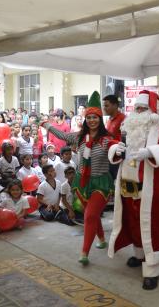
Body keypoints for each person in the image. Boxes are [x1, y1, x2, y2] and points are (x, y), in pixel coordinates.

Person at [107, 90, 159, 290]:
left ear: (153, 110)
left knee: (152, 225)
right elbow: (115, 143)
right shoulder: (130, 126)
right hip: (128, 184)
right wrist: (117, 149)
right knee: (133, 221)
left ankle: (151, 269)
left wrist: (150, 152)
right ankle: (140, 254)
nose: (138, 112)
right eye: (136, 108)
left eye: (143, 108)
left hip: (154, 187)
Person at [43, 91, 115, 265]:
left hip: (100, 183)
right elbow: (62, 136)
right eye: (89, 117)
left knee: (90, 215)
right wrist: (47, 125)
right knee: (93, 215)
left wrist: (118, 148)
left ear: (100, 119)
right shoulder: (80, 137)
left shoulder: (106, 139)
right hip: (82, 182)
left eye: (95, 117)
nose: (92, 120)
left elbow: (114, 147)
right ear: (85, 119)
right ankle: (102, 238)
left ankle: (84, 253)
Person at [103, 94, 125, 181]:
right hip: (109, 156)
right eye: (104, 105)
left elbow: (124, 141)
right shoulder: (109, 119)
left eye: (107, 105)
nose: (104, 108)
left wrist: (110, 141)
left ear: (115, 105)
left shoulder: (123, 119)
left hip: (117, 158)